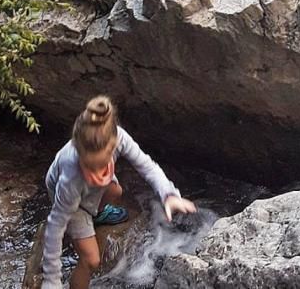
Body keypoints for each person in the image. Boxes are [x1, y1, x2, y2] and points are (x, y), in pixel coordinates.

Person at [41, 96, 197, 289]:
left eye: (100, 165)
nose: (94, 173)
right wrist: (51, 281)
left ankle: (95, 217)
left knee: (115, 192)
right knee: (91, 260)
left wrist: (169, 194)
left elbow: (147, 167)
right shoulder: (69, 178)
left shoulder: (119, 137)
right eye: (88, 166)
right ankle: (85, 219)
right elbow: (55, 228)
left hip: (89, 190)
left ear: (113, 146)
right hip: (69, 195)